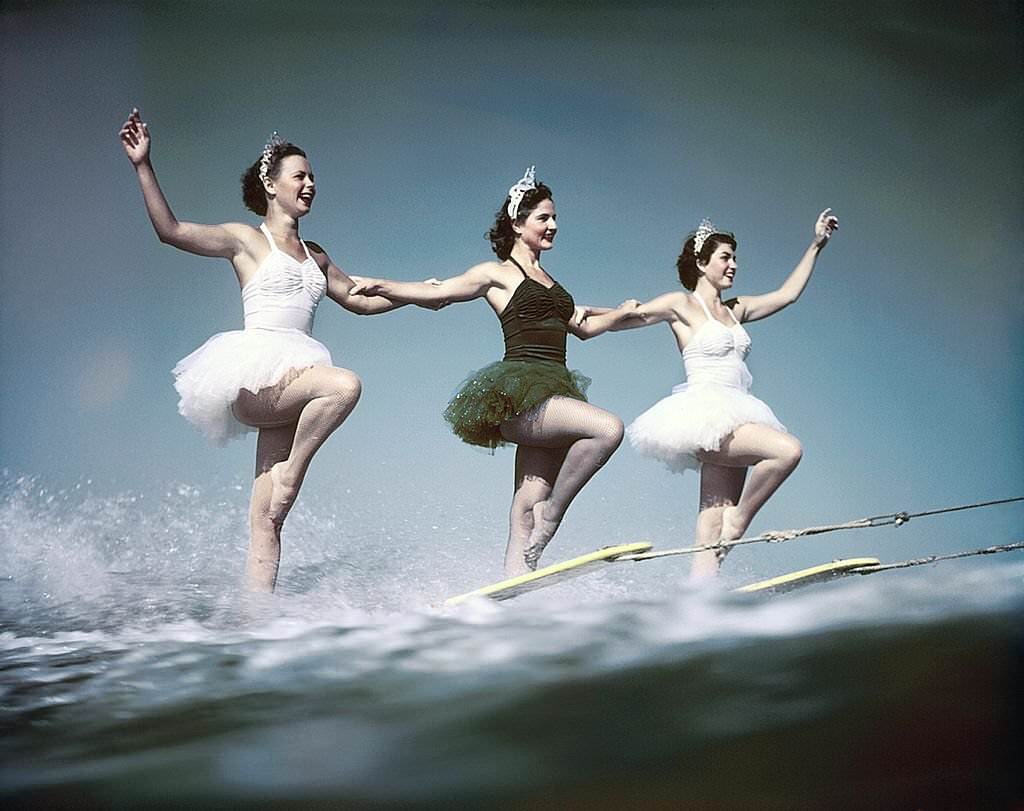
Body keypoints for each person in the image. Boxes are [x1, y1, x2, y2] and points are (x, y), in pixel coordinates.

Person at [118, 108, 407, 592]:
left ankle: (258, 618)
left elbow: (360, 299)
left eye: (313, 177)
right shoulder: (246, 240)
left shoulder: (317, 255)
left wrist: (423, 296)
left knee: (268, 521)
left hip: (293, 385)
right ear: (271, 185)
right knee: (344, 386)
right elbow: (170, 231)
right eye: (300, 176)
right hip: (257, 377)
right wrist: (143, 164)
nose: (310, 184)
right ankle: (292, 472)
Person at [350, 167, 638, 576]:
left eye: (555, 218)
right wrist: (382, 285)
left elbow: (584, 327)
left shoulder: (552, 282)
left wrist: (622, 314)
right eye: (544, 218)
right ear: (517, 223)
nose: (553, 225)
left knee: (525, 504)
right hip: (521, 395)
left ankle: (514, 581)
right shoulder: (497, 274)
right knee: (608, 429)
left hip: (555, 394)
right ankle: (552, 514)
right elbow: (439, 294)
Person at [624, 210, 839, 577]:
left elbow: (787, 295)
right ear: (701, 262)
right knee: (787, 451)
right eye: (725, 257)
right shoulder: (681, 304)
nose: (734, 265)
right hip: (704, 415)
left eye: (735, 258)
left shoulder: (736, 309)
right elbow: (632, 317)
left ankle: (700, 587)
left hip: (737, 411)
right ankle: (739, 521)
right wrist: (584, 313)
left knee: (713, 518)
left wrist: (817, 244)